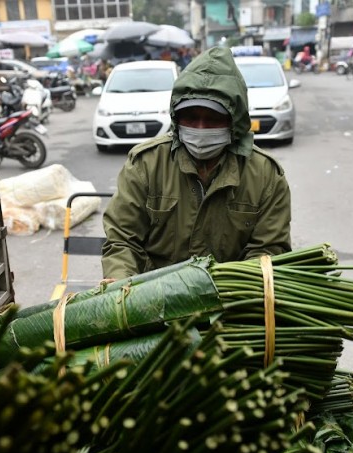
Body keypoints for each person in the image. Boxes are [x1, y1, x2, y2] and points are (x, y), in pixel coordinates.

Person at [101, 47, 292, 280]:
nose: (200, 129)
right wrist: (125, 288)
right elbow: (122, 240)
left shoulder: (265, 175)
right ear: (176, 118)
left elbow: (268, 250)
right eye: (191, 117)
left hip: (230, 300)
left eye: (212, 119)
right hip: (152, 297)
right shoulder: (146, 164)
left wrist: (229, 292)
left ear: (234, 122)